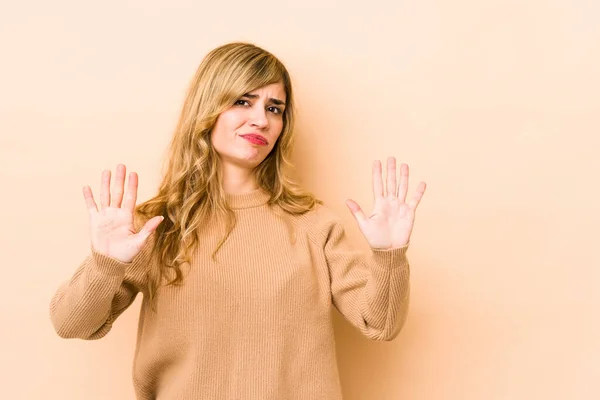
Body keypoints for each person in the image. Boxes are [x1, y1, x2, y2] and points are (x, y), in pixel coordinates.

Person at [49, 42, 427, 400]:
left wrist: (390, 255)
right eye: (243, 101)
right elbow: (72, 324)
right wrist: (105, 263)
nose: (260, 120)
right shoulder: (156, 227)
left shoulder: (313, 224)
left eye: (274, 108)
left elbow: (381, 324)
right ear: (208, 108)